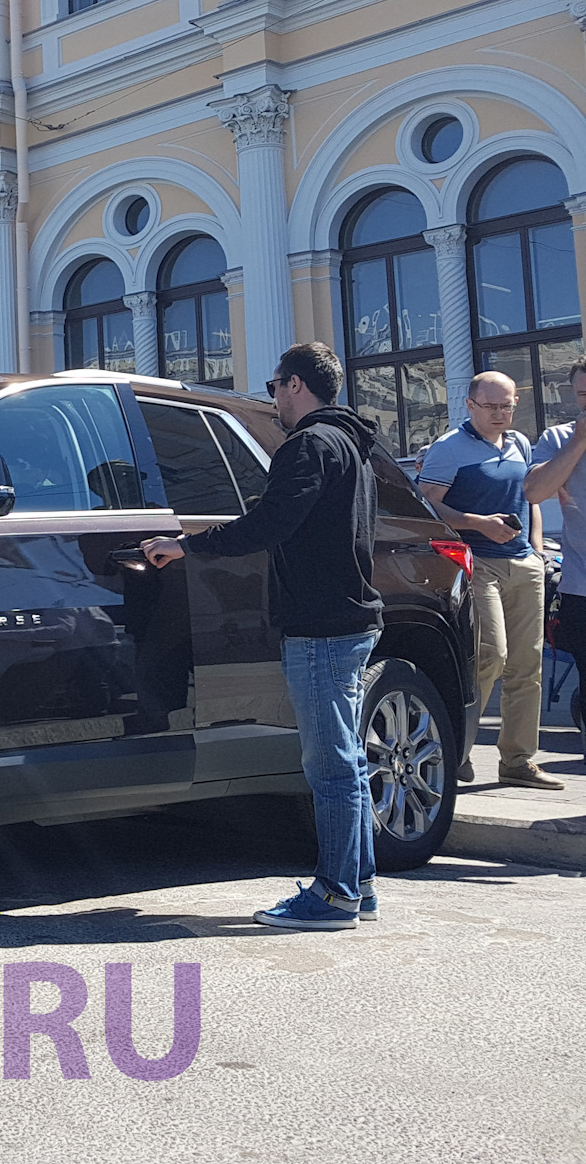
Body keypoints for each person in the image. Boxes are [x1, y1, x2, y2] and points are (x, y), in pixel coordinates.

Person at [141, 342, 383, 931]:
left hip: (320, 627)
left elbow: (270, 523)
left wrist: (186, 545)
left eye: (275, 386)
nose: (273, 398)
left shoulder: (308, 445)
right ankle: (359, 885)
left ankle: (334, 898)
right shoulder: (351, 444)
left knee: (330, 766)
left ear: (296, 384)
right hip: (350, 621)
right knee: (347, 761)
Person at [417, 372, 559, 789]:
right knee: (490, 656)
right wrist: (478, 523)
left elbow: (530, 495)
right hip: (476, 563)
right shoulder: (448, 449)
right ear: (470, 405)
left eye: (506, 406)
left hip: (523, 562)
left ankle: (518, 759)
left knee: (527, 665)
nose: (499, 414)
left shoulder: (519, 443)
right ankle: (457, 748)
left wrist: (536, 548)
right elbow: (427, 506)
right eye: (490, 406)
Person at [520, 358, 586, 784]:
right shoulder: (559, 438)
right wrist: (579, 441)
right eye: (583, 395)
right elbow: (534, 491)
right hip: (582, 585)